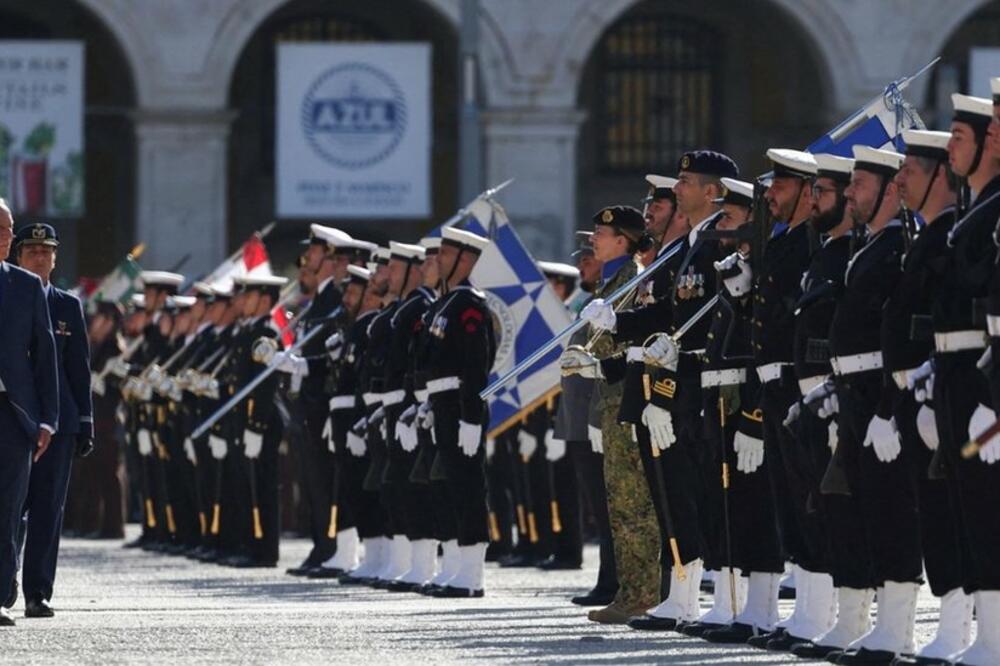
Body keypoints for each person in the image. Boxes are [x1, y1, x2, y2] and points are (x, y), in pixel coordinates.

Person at [564, 204, 659, 624]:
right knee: (618, 502)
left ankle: (642, 593)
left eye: (601, 236)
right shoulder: (608, 283)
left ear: (622, 240)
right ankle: (629, 589)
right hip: (608, 398)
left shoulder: (632, 281)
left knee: (633, 503)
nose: (593, 242)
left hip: (627, 397)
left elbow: (632, 340)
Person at [423, 226, 496, 598]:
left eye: (446, 256)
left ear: (466, 261)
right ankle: (454, 566)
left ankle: (473, 574)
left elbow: (475, 365)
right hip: (442, 403)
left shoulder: (469, 305)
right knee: (448, 483)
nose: (438, 262)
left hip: (460, 403)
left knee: (468, 486)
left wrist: (471, 415)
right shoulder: (444, 305)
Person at [0, 203, 59, 628]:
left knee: (8, 506)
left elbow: (45, 357)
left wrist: (47, 418)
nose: (5, 236)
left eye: (8, 229)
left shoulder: (24, 286)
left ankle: (1, 592)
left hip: (13, 411)